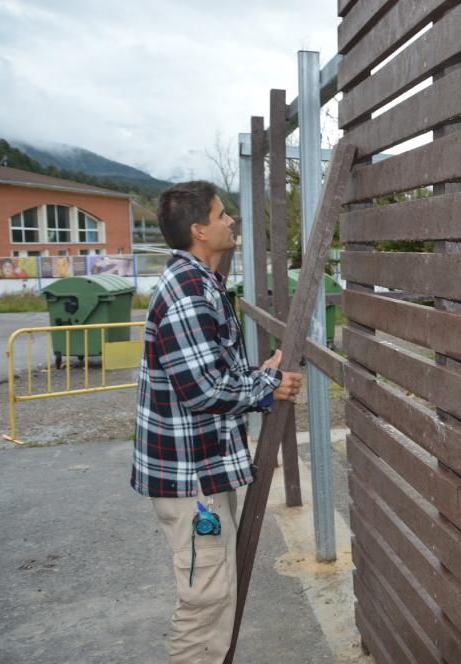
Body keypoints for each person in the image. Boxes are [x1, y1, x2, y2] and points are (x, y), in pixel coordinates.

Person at [131, 181, 302, 663]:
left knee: (216, 588)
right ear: (198, 230)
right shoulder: (187, 291)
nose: (230, 221)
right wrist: (269, 388)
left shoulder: (201, 283)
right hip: (189, 478)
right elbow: (204, 390)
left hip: (200, 468)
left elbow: (211, 372)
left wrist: (257, 375)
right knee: (205, 598)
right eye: (221, 214)